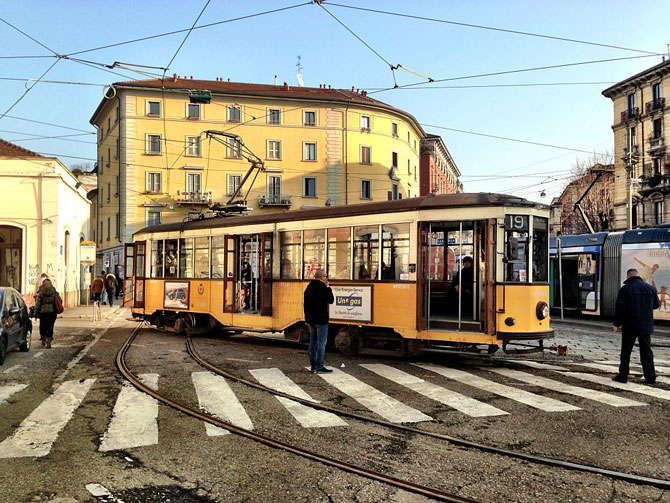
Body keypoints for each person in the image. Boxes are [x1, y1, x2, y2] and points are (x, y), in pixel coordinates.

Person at [612, 268, 660, 384]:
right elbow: (656, 305)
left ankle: (623, 376)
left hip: (630, 325)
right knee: (646, 351)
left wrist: (616, 323)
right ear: (638, 276)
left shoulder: (626, 289)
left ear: (628, 277)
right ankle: (650, 376)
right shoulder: (650, 288)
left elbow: (620, 308)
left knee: (626, 351)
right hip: (645, 325)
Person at [304, 269, 334, 373]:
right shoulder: (323, 287)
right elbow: (331, 300)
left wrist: (306, 318)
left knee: (313, 342)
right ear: (321, 277)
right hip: (321, 319)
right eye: (326, 276)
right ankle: (320, 366)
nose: (327, 278)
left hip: (311, 319)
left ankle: (313, 366)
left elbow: (306, 304)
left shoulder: (309, 286)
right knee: (321, 343)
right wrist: (328, 287)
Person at [34, 278, 62, 349]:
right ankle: (49, 339)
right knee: (50, 326)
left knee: (43, 326)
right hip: (52, 313)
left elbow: (38, 305)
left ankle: (43, 338)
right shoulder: (54, 292)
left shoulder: (41, 293)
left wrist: (36, 313)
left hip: (43, 313)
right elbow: (60, 301)